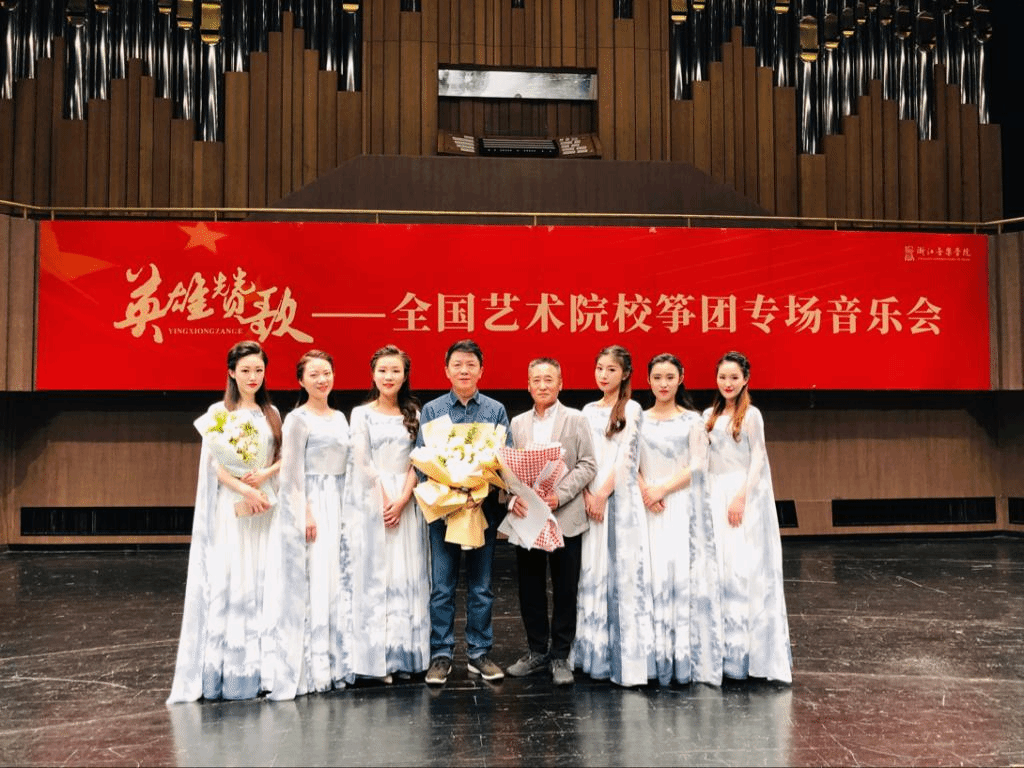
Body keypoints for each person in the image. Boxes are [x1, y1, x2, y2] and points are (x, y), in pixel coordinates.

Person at [167, 340, 284, 703]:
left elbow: (283, 456)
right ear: (232, 372)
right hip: (234, 505)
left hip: (266, 505)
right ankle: (234, 671)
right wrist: (245, 489)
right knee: (236, 580)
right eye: (245, 370)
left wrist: (265, 476)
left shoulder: (271, 412)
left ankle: (267, 671)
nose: (252, 377)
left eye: (258, 370)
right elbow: (215, 466)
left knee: (266, 581)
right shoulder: (219, 412)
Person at [417, 339, 512, 685]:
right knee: (442, 587)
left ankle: (479, 653)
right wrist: (452, 492)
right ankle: (441, 655)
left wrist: (478, 490)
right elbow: (422, 460)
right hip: (445, 512)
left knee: (481, 587)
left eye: (471, 364)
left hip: (481, 510)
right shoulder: (432, 410)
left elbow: (505, 458)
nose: (464, 370)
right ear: (446, 370)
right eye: (457, 364)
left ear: (481, 370)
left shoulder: (495, 410)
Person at [265, 349, 352, 698]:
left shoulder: (341, 417)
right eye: (314, 374)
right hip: (313, 500)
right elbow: (290, 472)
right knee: (314, 578)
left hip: (340, 500)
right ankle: (313, 667)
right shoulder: (297, 419)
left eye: (326, 373)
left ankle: (336, 662)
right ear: (301, 380)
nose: (322, 380)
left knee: (335, 579)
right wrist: (305, 511)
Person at [505, 358, 597, 686]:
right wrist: (513, 497)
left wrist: (560, 495)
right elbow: (507, 469)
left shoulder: (576, 419)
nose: (543, 385)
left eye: (549, 379)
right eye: (537, 380)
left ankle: (560, 655)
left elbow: (588, 464)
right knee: (530, 588)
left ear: (561, 383)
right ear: (528, 385)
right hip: (528, 517)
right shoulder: (517, 423)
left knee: (564, 587)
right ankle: (536, 651)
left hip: (565, 515)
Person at [703, 351, 792, 684]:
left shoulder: (752, 415)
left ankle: (749, 653)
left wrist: (741, 495)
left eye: (734, 378)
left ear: (745, 380)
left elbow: (758, 458)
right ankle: (721, 652)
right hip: (714, 494)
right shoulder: (708, 415)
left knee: (743, 569)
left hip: (741, 494)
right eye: (722, 377)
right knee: (720, 570)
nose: (728, 383)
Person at [345, 345, 430, 680]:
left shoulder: (415, 413)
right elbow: (362, 461)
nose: (389, 376)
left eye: (395, 370)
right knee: (376, 576)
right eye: (382, 370)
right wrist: (384, 498)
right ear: (373, 374)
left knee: (406, 574)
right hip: (373, 501)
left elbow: (418, 461)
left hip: (407, 503)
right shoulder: (360, 414)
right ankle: (376, 661)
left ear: (405, 375)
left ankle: (404, 655)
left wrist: (403, 498)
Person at [572, 345, 655, 687]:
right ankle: (594, 654)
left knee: (620, 573)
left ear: (625, 374)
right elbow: (581, 456)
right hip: (589, 498)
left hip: (619, 499)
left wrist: (603, 494)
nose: (604, 375)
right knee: (592, 571)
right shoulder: (586, 410)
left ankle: (625, 658)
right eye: (600, 369)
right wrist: (587, 494)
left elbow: (627, 457)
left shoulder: (632, 409)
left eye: (611, 370)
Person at [638, 353, 722, 686]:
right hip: (646, 507)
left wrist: (663, 489)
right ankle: (652, 658)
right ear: (648, 380)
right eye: (657, 377)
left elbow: (699, 464)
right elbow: (629, 461)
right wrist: (646, 490)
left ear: (681, 378)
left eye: (670, 377)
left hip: (679, 505)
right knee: (650, 578)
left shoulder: (693, 420)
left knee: (680, 577)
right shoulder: (638, 418)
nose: (663, 384)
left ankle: (682, 657)